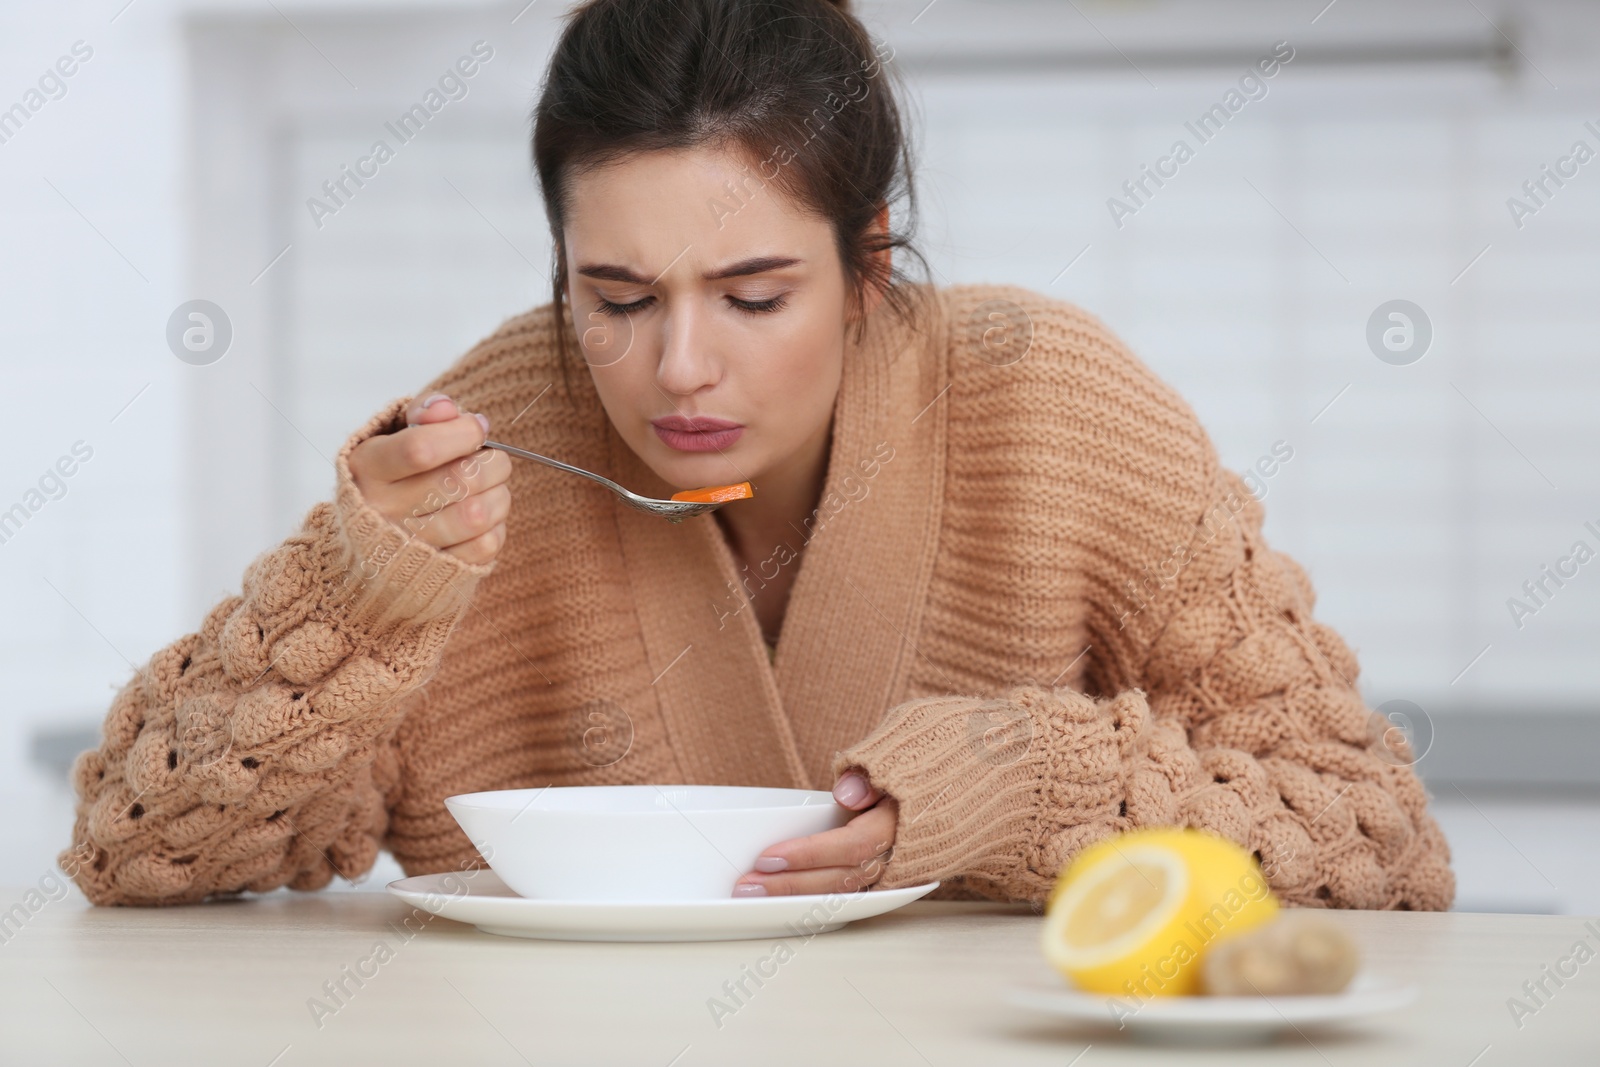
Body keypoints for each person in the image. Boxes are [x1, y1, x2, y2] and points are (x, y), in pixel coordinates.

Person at [62, 0, 1452, 910]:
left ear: (867, 269)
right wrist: (354, 595)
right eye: (615, 297)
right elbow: (134, 850)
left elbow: (1382, 844)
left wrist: (1031, 779)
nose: (677, 368)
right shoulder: (484, 450)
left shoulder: (1055, 409)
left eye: (753, 296)